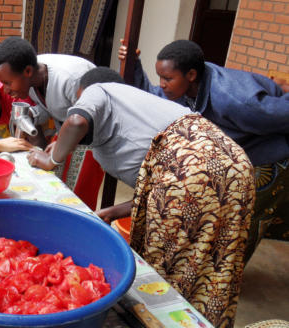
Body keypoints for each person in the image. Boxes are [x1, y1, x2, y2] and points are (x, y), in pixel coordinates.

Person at [28, 67, 255, 328]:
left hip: (188, 166)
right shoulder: (143, 115)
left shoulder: (98, 89)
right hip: (237, 165)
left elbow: (76, 122)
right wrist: (114, 210)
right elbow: (158, 189)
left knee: (165, 278)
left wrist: (51, 160)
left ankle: (165, 327)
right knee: (216, 265)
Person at [119, 39, 289, 261]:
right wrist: (133, 64)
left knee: (240, 223)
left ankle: (224, 279)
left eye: (167, 78)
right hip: (238, 157)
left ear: (190, 75)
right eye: (160, 77)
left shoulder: (235, 101)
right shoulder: (185, 87)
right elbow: (153, 96)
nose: (162, 84)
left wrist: (282, 90)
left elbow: (280, 114)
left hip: (269, 158)